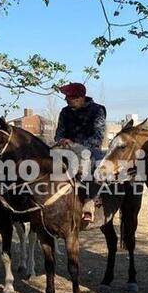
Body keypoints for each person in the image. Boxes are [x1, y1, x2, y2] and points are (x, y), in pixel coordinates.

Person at [54, 82, 107, 222]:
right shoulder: (64, 112)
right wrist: (61, 140)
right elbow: (58, 133)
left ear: (79, 97)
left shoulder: (98, 110)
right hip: (65, 148)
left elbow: (98, 137)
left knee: (98, 164)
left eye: (69, 97)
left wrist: (76, 145)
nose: (66, 99)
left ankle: (91, 200)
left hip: (89, 149)